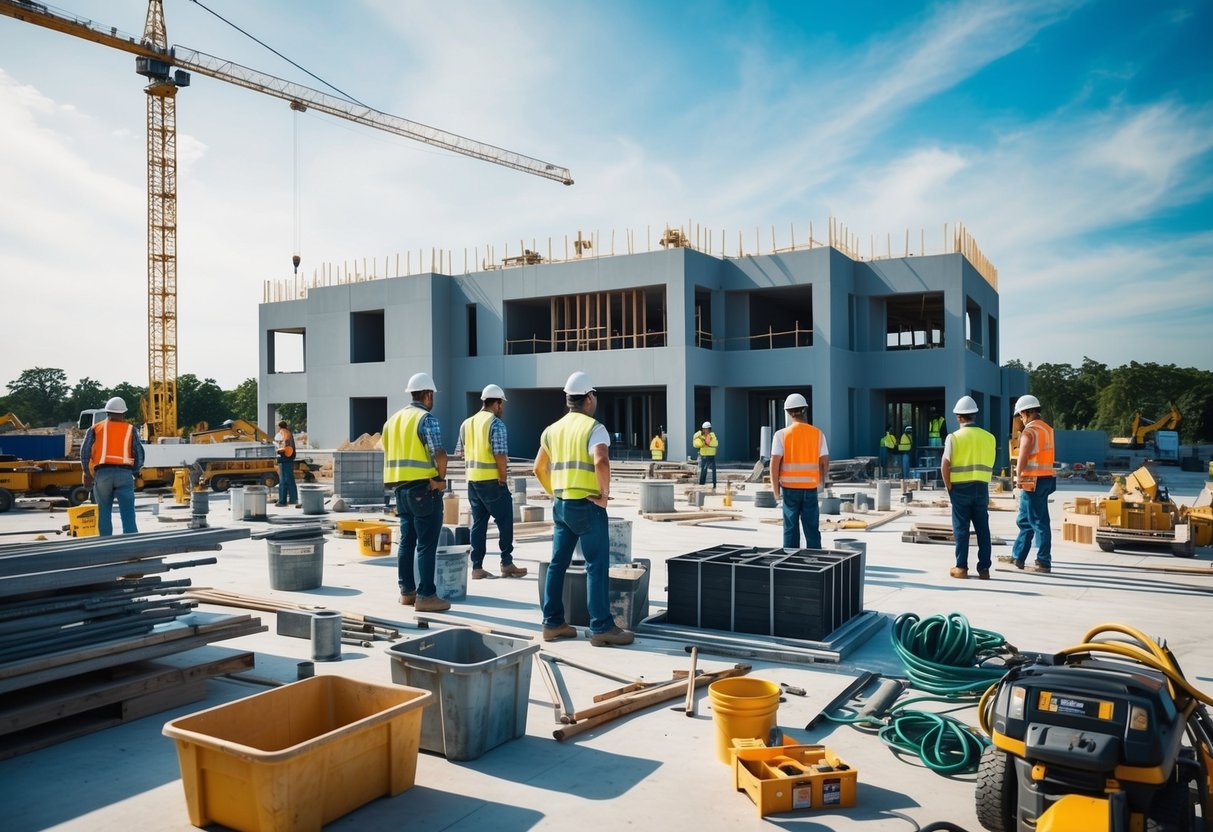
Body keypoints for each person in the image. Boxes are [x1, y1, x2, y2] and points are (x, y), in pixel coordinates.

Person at [534, 371, 633, 647]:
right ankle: (601, 627)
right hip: (588, 506)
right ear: (589, 398)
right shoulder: (594, 428)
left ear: (568, 400)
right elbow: (601, 461)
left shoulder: (551, 430)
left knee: (558, 564)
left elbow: (538, 468)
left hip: (562, 506)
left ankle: (552, 624)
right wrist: (604, 495)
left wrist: (555, 493)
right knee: (596, 565)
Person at [383, 372, 451, 612]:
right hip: (424, 488)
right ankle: (427, 596)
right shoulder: (426, 418)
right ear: (428, 394)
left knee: (407, 542)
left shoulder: (392, 421)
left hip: (400, 490)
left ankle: (407, 592)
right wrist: (440, 480)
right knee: (426, 544)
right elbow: (439, 453)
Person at [456, 384, 527, 581]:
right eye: (501, 404)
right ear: (496, 403)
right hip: (492, 482)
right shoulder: (496, 424)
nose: (501, 408)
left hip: (473, 482)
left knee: (479, 524)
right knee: (505, 522)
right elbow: (500, 455)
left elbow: (460, 453)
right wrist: (503, 479)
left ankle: (477, 567)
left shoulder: (466, 424)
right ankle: (506, 562)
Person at [940, 396, 996, 580]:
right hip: (981, 487)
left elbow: (945, 465)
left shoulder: (953, 438)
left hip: (960, 489)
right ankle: (984, 569)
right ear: (975, 415)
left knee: (961, 529)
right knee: (983, 529)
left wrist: (949, 487)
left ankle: (961, 567)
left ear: (958, 417)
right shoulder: (989, 438)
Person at [769, 393, 829, 549]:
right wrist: (821, 484)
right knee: (812, 530)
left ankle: (790, 563)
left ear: (788, 412)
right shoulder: (817, 433)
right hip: (810, 489)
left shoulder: (781, 435)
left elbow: (774, 465)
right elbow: (824, 462)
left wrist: (776, 492)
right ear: (805, 410)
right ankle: (816, 562)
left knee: (790, 529)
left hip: (789, 490)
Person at [80, 396, 144, 536]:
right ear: (123, 413)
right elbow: (139, 453)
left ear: (107, 412)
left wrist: (87, 473)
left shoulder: (95, 428)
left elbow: (84, 453)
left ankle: (106, 547)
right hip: (124, 474)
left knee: (104, 512)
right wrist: (135, 471)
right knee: (128, 513)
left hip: (102, 475)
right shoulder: (130, 429)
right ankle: (132, 546)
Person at [1007, 394, 1056, 574]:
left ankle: (1043, 561)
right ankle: (1018, 556)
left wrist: (1018, 476)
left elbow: (1023, 456)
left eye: (1020, 415)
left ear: (1026, 413)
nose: (1020, 419)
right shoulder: (1047, 429)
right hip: (1046, 479)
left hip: (1032, 481)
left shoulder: (1029, 431)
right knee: (1026, 520)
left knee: (1038, 521)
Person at [273, 419, 298, 507]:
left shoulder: (280, 434)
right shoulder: (289, 433)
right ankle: (293, 499)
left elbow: (279, 447)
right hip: (290, 458)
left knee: (283, 480)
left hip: (284, 458)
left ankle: (282, 501)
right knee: (290, 479)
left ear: (279, 427)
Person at [693, 421, 718, 488]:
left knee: (714, 471)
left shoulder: (712, 436)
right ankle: (702, 483)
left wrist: (705, 441)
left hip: (711, 456)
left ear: (709, 429)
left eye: (706, 429)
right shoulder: (700, 435)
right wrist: (699, 434)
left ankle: (714, 484)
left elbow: (714, 443)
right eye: (703, 429)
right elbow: (695, 437)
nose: (705, 430)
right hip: (704, 456)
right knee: (703, 471)